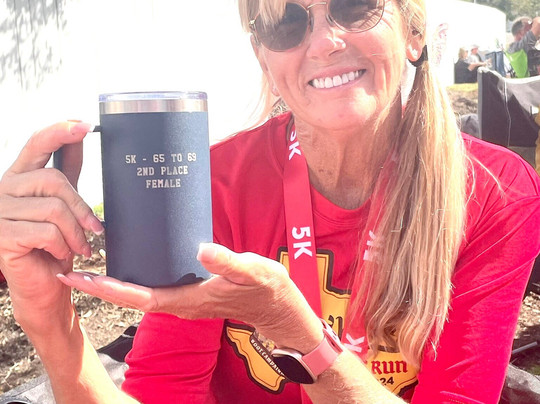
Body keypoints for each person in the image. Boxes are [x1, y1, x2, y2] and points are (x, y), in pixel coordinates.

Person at [0, 0, 539, 403]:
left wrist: (293, 329)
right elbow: (161, 392)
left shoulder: (495, 191)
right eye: (286, 21)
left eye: (355, 6)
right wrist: (50, 322)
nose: (324, 42)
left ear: (414, 33)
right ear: (263, 57)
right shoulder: (213, 183)